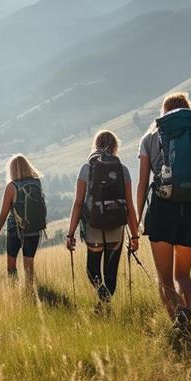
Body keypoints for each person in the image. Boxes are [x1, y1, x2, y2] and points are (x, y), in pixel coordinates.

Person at [136, 92, 191, 339]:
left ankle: (180, 327)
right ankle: (187, 311)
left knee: (165, 279)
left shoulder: (150, 138)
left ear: (164, 114)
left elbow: (142, 184)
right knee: (182, 275)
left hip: (162, 210)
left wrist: (136, 221)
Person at [67, 131, 140, 309]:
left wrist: (70, 234)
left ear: (96, 144)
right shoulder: (122, 169)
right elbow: (129, 206)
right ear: (115, 146)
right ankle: (105, 305)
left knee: (93, 270)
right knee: (111, 272)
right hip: (116, 227)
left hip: (94, 226)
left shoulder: (86, 168)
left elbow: (78, 203)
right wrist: (135, 236)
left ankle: (102, 298)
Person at [0, 154, 48, 287]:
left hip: (15, 229)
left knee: (11, 265)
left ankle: (13, 290)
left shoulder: (11, 187)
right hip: (34, 228)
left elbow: (4, 213)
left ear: (12, 170)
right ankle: (29, 290)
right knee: (29, 263)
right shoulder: (37, 182)